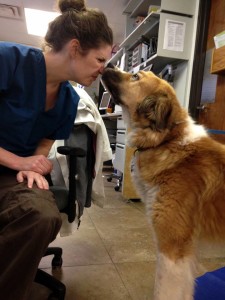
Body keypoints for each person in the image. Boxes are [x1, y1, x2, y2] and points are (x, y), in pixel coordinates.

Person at [0, 0, 113, 298]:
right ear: (75, 48)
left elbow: (42, 147)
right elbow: (24, 159)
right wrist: (19, 161)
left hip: (15, 175)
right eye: (100, 59)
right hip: (11, 164)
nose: (103, 70)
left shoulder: (69, 100)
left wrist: (37, 164)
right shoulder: (7, 59)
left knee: (42, 216)